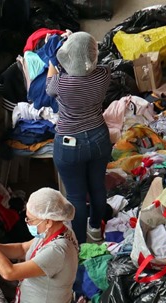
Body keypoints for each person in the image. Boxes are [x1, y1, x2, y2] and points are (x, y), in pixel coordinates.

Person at [47, 31, 112, 245]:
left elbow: (49, 87)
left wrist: (51, 60)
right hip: (99, 138)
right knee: (97, 188)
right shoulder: (104, 74)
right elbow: (91, 62)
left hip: (69, 143)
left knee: (75, 197)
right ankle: (95, 231)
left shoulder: (61, 83)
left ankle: (79, 244)